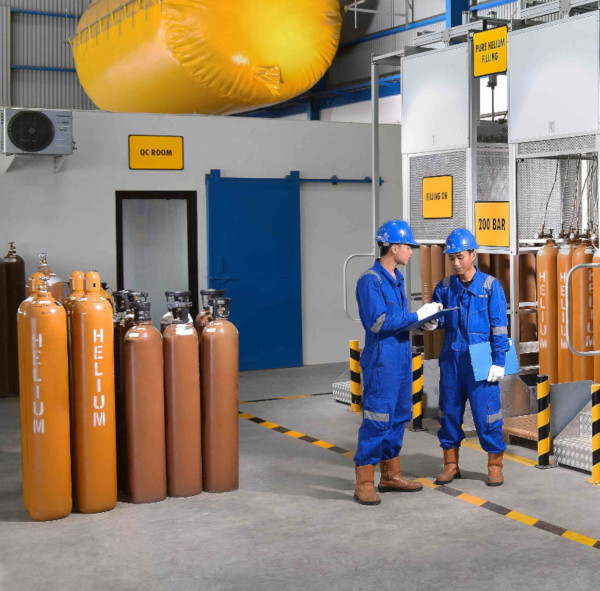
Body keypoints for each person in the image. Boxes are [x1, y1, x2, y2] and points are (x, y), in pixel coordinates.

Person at [354, 220, 442, 505]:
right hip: (382, 360)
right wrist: (416, 316)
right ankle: (364, 482)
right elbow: (378, 323)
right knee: (377, 418)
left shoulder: (397, 279)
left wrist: (423, 323)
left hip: (402, 357)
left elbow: (399, 321)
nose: (411, 252)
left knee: (400, 415)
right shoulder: (371, 281)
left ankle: (390, 476)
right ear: (393, 247)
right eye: (408, 246)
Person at [425, 228, 509, 487]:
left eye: (460, 256)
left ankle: (494, 466)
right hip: (452, 359)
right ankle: (451, 465)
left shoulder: (490, 286)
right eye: (451, 258)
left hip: (481, 358)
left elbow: (499, 327)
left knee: (487, 414)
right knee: (449, 413)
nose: (455, 262)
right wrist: (432, 322)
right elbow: (439, 318)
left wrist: (500, 361)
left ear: (473, 254)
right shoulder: (444, 287)